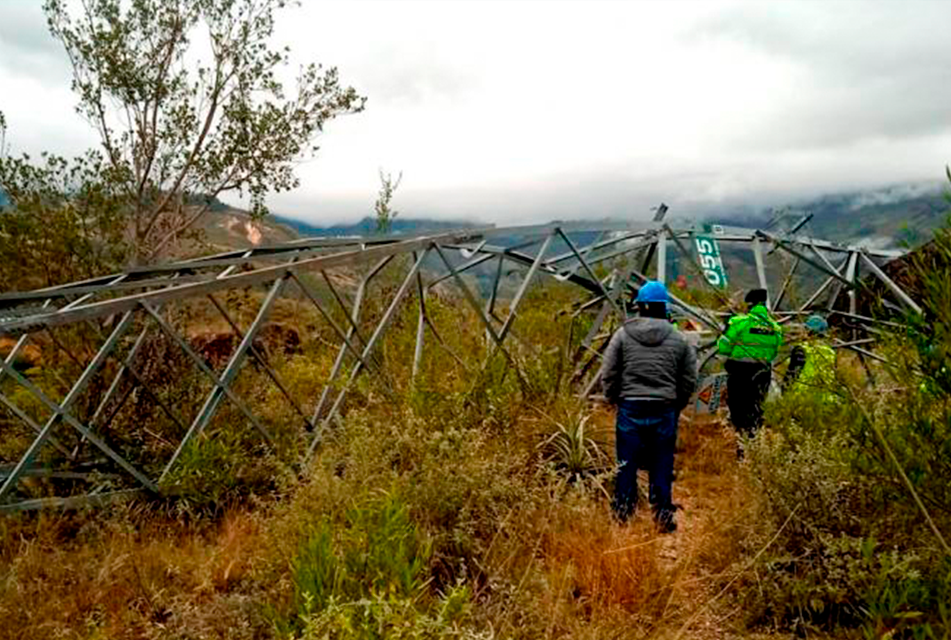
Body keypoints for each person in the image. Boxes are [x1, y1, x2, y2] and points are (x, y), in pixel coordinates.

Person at [600, 280, 697, 532]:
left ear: (640, 306)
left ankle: (622, 514)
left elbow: (609, 373)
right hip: (664, 408)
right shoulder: (679, 339)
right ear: (665, 308)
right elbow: (689, 378)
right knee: (662, 463)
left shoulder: (622, 335)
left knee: (626, 463)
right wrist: (678, 404)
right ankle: (663, 516)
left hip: (630, 407)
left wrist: (612, 399)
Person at [717, 289, 782, 445]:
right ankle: (753, 442)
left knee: (739, 409)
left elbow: (723, 347)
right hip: (762, 373)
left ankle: (742, 444)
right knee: (756, 408)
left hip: (739, 373)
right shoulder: (775, 328)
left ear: (750, 304)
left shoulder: (740, 323)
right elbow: (774, 353)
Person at [783, 314, 837, 399]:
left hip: (801, 395)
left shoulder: (802, 349)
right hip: (824, 397)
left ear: (808, 331)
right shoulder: (830, 352)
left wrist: (785, 390)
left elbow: (793, 373)